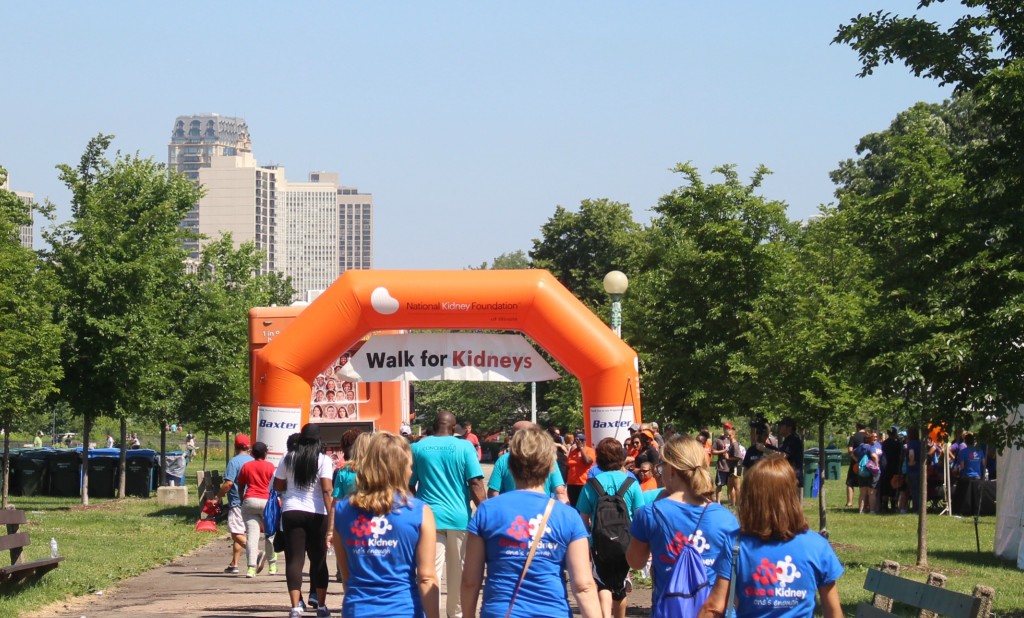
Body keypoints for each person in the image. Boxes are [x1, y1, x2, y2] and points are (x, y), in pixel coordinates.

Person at [462, 425, 601, 618]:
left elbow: (470, 581)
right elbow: (583, 586)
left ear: (510, 465)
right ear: (550, 466)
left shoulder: (486, 512)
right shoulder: (568, 517)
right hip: (552, 612)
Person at [698, 455, 843, 618]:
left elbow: (714, 608)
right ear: (791, 496)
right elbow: (833, 612)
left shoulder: (736, 544)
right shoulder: (817, 546)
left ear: (751, 500)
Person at [627, 435, 739, 615]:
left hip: (671, 610)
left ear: (671, 469)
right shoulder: (727, 519)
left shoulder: (650, 514)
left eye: (661, 465)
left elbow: (636, 561)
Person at [334, 431, 440, 618]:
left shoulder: (343, 511)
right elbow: (426, 577)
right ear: (399, 468)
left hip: (358, 608)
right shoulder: (419, 511)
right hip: (404, 609)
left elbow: (347, 575)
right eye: (409, 466)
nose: (411, 471)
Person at [410, 410, 487, 618]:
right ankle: (456, 615)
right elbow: (475, 483)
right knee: (458, 575)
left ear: (434, 426)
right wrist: (486, 511)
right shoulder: (465, 447)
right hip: (459, 518)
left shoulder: (417, 448)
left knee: (428, 573)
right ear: (454, 428)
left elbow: (408, 485)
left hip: (428, 519)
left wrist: (416, 507)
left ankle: (429, 614)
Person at [577, 437, 645, 618]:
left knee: (602, 583)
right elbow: (640, 516)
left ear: (599, 458)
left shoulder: (591, 485)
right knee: (620, 586)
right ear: (621, 458)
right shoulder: (631, 483)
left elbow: (582, 518)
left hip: (599, 543)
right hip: (626, 542)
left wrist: (588, 542)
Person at [274, 423, 335, 618]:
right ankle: (322, 606)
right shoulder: (323, 460)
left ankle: (295, 607)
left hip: (291, 511)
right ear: (318, 440)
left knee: (294, 559)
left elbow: (278, 484)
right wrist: (331, 519)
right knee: (319, 560)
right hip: (317, 513)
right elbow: (327, 490)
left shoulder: (288, 457)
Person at [487, 420, 569, 504]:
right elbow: (560, 492)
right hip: (542, 510)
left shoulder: (504, 459)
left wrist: (497, 511)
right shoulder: (547, 458)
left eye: (512, 435)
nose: (510, 438)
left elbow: (493, 492)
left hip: (510, 512)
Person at [236, 441, 278, 577]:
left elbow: (241, 485)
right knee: (270, 534)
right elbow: (275, 486)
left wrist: (243, 499)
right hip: (266, 502)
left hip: (250, 500)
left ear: (252, 453)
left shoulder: (246, 466)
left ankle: (251, 568)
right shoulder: (270, 466)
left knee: (252, 536)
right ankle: (272, 566)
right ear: (266, 453)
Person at [215, 434, 253, 574]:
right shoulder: (252, 460)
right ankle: (234, 564)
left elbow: (229, 483)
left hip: (237, 501)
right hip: (250, 500)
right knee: (241, 531)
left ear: (235, 446)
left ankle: (256, 552)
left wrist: (217, 497)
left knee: (235, 532)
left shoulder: (234, 462)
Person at [854, 429, 883, 514]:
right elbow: (874, 456)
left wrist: (858, 461)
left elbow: (853, 453)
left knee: (862, 493)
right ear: (869, 439)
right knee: (872, 492)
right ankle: (872, 510)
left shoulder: (859, 447)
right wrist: (877, 464)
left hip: (861, 471)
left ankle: (861, 510)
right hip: (871, 472)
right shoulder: (870, 447)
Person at [566, 432, 596, 506]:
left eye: (582, 440)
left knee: (583, 507)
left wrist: (581, 449)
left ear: (585, 441)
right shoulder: (573, 452)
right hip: (571, 484)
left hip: (583, 483)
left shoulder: (589, 450)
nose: (579, 442)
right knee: (573, 506)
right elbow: (568, 465)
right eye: (577, 440)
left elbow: (587, 462)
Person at [846, 422, 867, 508]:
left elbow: (850, 450)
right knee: (865, 483)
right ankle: (865, 502)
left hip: (855, 463)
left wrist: (856, 460)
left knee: (850, 482)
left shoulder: (854, 436)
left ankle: (849, 502)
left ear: (857, 426)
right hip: (867, 462)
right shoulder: (868, 436)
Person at [710, 425, 733, 503]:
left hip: (731, 466)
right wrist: (722, 452)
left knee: (730, 485)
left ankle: (730, 501)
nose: (727, 430)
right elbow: (712, 451)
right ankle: (718, 502)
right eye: (726, 428)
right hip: (722, 466)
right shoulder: (718, 440)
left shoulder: (732, 440)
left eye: (729, 429)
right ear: (723, 429)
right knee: (719, 485)